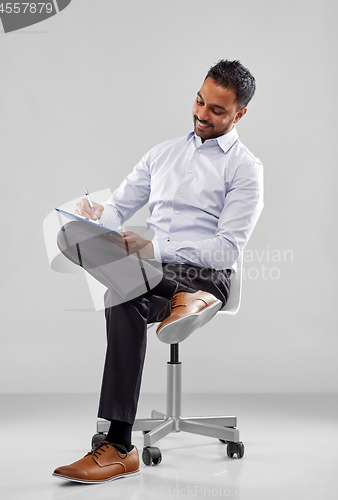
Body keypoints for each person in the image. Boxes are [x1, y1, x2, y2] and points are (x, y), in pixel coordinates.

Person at [53, 59, 264, 483]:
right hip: (152, 273)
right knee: (71, 235)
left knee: (121, 296)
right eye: (200, 101)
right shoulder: (162, 154)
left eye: (217, 110)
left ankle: (117, 444)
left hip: (206, 277)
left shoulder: (246, 169)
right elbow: (118, 209)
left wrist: (154, 246)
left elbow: (225, 251)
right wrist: (100, 217)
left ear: (240, 114)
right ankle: (119, 447)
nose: (202, 114)